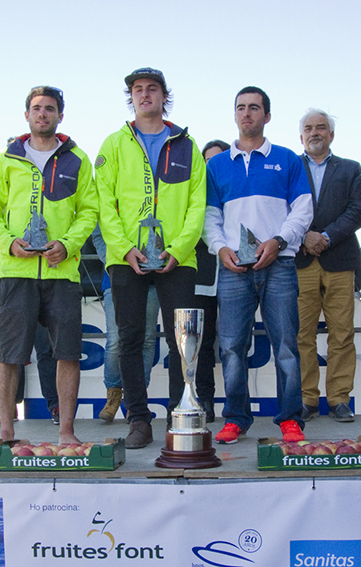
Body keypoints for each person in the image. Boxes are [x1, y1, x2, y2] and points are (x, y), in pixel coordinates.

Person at [0, 86, 98, 444]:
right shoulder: (6, 159)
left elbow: (89, 210)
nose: (42, 114)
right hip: (16, 272)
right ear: (26, 115)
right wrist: (7, 244)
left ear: (60, 115)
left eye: (49, 109)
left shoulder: (78, 159)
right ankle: (7, 432)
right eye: (36, 108)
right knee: (10, 355)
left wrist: (68, 244)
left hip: (61, 271)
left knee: (67, 353)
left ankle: (66, 432)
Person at [95, 68, 206, 449]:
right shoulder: (113, 144)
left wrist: (177, 249)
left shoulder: (187, 145)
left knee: (183, 341)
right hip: (126, 258)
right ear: (132, 98)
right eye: (138, 90)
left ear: (164, 96)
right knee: (129, 339)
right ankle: (138, 420)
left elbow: (197, 205)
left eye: (152, 89)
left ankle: (181, 416)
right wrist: (125, 248)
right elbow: (103, 204)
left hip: (178, 258)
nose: (145, 95)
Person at [204, 86, 313, 444]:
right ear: (234, 115)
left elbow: (302, 208)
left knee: (286, 345)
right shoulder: (217, 165)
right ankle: (236, 418)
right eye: (240, 108)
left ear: (267, 115)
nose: (247, 113)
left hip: (278, 264)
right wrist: (221, 249)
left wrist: (279, 241)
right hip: (234, 268)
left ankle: (289, 419)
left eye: (254, 108)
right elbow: (210, 216)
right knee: (232, 347)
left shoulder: (287, 159)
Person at [295, 109, 361, 423]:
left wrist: (325, 235)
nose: (315, 133)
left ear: (331, 135)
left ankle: (339, 399)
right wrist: (303, 236)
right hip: (300, 260)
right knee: (301, 335)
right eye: (309, 128)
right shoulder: (289, 166)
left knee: (342, 335)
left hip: (339, 260)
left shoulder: (350, 169)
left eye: (321, 128)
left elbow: (358, 210)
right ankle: (306, 400)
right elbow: (280, 208)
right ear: (301, 136)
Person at [0, 217, 60, 427]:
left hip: (46, 276)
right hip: (9, 279)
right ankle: (7, 407)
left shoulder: (52, 184)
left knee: (48, 348)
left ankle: (56, 405)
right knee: (11, 351)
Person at [89, 225, 160, 423]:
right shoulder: (112, 194)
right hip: (117, 278)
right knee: (116, 339)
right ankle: (113, 395)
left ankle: (135, 400)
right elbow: (99, 234)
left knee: (146, 339)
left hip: (153, 277)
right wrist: (115, 264)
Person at [196, 139, 232, 423]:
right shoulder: (194, 191)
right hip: (203, 276)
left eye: (218, 160)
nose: (213, 166)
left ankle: (235, 405)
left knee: (234, 342)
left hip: (235, 274)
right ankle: (205, 400)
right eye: (208, 161)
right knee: (203, 343)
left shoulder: (233, 187)